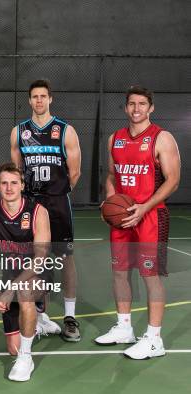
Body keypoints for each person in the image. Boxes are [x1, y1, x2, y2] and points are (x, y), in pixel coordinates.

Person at [95, 86, 180, 359]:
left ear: (151, 107)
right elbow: (111, 175)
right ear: (125, 107)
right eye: (131, 103)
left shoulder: (161, 138)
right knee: (120, 272)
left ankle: (154, 339)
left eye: (142, 104)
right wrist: (110, 200)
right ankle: (124, 327)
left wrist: (144, 207)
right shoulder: (115, 139)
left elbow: (173, 180)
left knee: (149, 275)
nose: (136, 108)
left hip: (150, 216)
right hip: (123, 220)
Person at [10, 79, 82, 341]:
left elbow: (74, 173)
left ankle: (70, 317)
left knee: (64, 259)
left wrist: (57, 191)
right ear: (29, 100)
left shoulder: (65, 131)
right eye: (34, 97)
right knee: (35, 261)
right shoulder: (19, 131)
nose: (39, 101)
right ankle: (40, 315)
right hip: (31, 204)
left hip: (58, 202)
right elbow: (16, 172)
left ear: (50, 99)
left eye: (43, 96)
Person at [0, 163, 51, 381]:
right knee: (12, 347)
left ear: (22, 185)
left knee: (25, 292)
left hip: (38, 274)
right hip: (9, 276)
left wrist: (9, 290)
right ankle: (37, 320)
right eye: (4, 183)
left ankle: (26, 358)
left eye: (14, 183)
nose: (9, 188)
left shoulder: (38, 212)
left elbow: (40, 260)